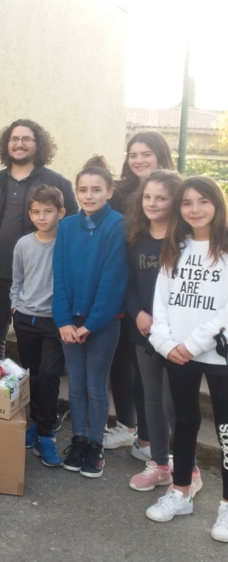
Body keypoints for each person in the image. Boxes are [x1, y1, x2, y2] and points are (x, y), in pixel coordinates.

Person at [146, 176, 228, 542]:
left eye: (203, 201)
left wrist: (193, 343)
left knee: (226, 431)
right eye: (187, 203)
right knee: (184, 422)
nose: (195, 209)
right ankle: (181, 491)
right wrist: (163, 342)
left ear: (218, 204)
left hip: (216, 355)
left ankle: (226, 506)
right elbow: (160, 302)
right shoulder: (174, 247)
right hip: (177, 354)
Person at [125, 171, 201, 492]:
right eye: (147, 197)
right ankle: (159, 464)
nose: (152, 203)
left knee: (176, 405)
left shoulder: (187, 242)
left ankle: (190, 469)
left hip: (178, 338)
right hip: (144, 332)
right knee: (153, 401)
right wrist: (137, 313)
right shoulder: (135, 238)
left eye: (161, 197)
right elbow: (127, 283)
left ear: (175, 202)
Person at [53, 157, 127, 479]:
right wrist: (63, 320)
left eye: (96, 189)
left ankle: (95, 445)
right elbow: (59, 277)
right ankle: (79, 441)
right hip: (70, 322)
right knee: (77, 384)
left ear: (109, 192)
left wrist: (90, 325)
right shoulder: (67, 225)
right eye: (82, 189)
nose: (88, 195)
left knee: (96, 384)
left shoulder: (118, 225)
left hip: (103, 323)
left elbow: (113, 282)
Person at [0, 119, 78, 358]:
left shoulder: (57, 183)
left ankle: (34, 395)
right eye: (14, 139)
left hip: (39, 281)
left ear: (38, 144)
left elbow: (72, 225)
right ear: (6, 144)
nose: (19, 144)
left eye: (26, 139)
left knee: (36, 349)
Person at [105, 132, 175, 454]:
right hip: (125, 292)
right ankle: (130, 428)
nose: (138, 160)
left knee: (159, 382)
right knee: (123, 363)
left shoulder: (176, 190)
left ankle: (155, 441)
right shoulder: (118, 193)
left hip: (163, 300)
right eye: (133, 154)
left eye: (146, 153)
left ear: (160, 155)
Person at [11, 185, 66, 467]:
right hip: (25, 319)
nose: (41, 217)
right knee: (31, 374)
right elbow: (17, 279)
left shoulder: (66, 243)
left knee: (49, 375)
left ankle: (46, 434)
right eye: (36, 211)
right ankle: (36, 422)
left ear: (61, 212)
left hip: (55, 322)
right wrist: (14, 304)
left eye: (48, 211)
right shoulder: (23, 244)